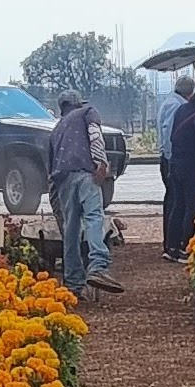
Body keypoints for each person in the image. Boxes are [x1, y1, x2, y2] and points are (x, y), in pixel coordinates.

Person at [48, 91, 119, 294]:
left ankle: (73, 283)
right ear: (78, 104)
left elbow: (50, 172)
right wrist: (101, 163)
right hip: (84, 173)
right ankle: (97, 264)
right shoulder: (87, 112)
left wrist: (56, 207)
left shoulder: (56, 129)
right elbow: (95, 136)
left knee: (71, 229)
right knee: (94, 216)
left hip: (63, 180)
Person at [161, 74, 195, 259]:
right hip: (189, 166)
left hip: (175, 162)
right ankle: (185, 247)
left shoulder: (180, 108)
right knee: (191, 207)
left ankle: (171, 247)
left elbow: (170, 135)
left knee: (177, 205)